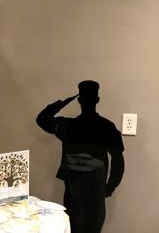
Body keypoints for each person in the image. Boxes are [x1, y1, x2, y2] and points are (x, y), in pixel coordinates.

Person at [36, 80, 124, 233]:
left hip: (74, 190)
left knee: (74, 227)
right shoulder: (107, 127)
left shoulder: (68, 126)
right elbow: (118, 160)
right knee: (92, 227)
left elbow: (42, 118)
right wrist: (110, 186)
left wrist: (64, 102)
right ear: (97, 100)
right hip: (94, 189)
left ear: (79, 100)